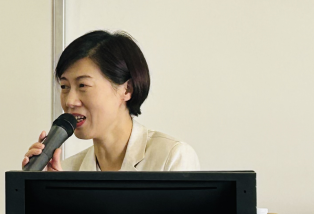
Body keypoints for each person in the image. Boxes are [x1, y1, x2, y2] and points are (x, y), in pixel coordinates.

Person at [22, 30, 200, 172]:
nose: (70, 101)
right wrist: (44, 190)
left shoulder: (171, 158)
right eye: (64, 86)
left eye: (83, 85)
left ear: (127, 89)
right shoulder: (66, 170)